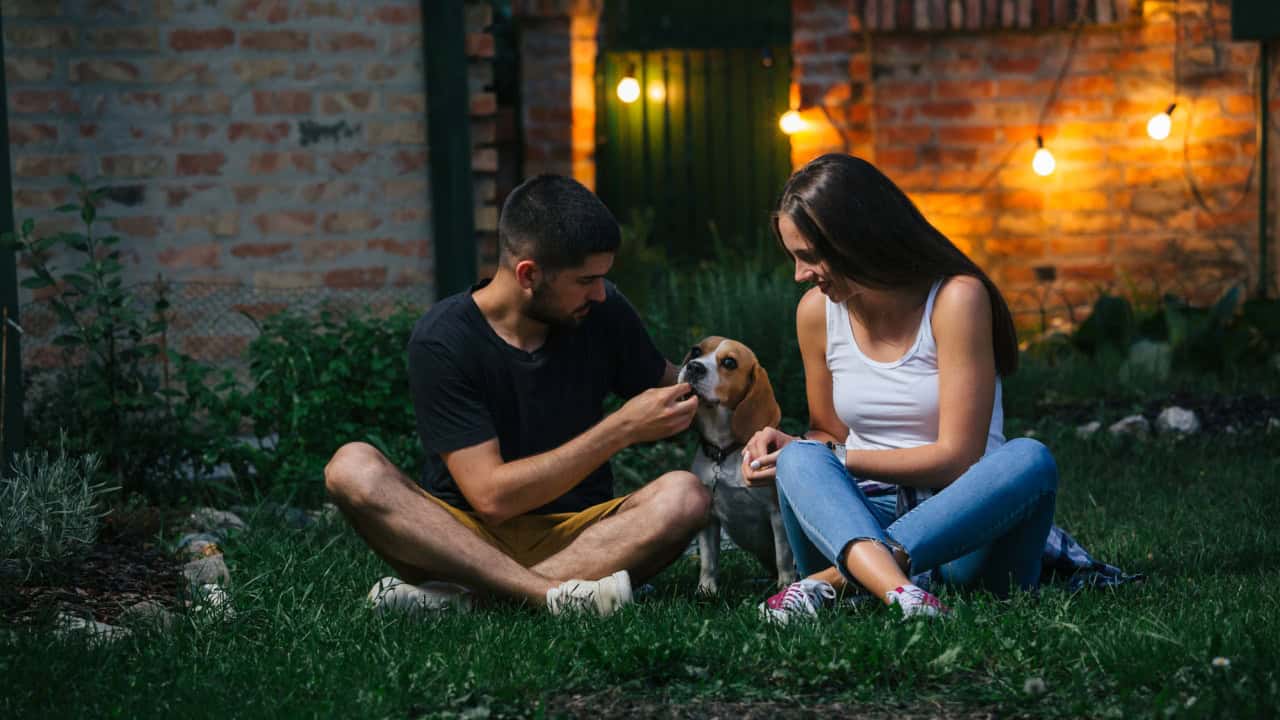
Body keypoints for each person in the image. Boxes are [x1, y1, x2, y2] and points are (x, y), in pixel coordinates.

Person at [325, 174, 709, 616]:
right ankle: (546, 596)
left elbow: (671, 384)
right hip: (465, 539)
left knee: (686, 495)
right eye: (586, 280)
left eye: (603, 278)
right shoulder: (443, 338)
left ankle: (469, 602)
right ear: (528, 274)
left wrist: (732, 382)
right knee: (351, 466)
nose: (600, 292)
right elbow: (492, 498)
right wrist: (620, 429)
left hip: (580, 532)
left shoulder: (602, 312)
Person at [741, 154, 1059, 622]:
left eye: (809, 256)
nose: (799, 275)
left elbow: (959, 457)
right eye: (794, 257)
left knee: (1030, 459)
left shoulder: (955, 299)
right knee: (800, 455)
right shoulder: (816, 313)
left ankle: (837, 583)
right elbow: (826, 433)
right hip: (854, 517)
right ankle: (905, 593)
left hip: (961, 527)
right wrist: (790, 451)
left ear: (858, 238)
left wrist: (837, 458)